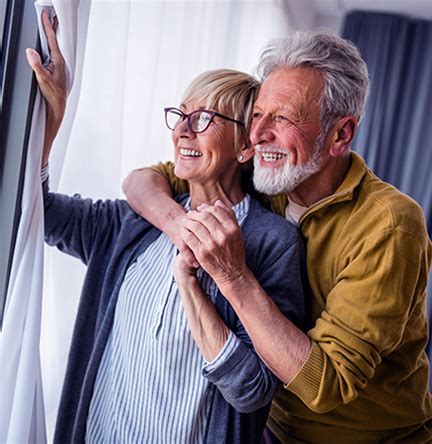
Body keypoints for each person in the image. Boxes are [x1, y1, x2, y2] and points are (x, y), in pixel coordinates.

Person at [124, 30, 432, 443]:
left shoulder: (390, 225)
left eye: (284, 118)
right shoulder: (266, 178)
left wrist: (233, 277)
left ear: (340, 135)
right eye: (257, 115)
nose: (256, 136)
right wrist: (180, 227)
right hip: (272, 431)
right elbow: (143, 181)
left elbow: (324, 384)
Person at [26, 12, 306, 443]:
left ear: (246, 146)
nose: (181, 130)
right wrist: (53, 116)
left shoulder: (273, 243)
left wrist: (194, 286)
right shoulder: (135, 221)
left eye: (204, 118)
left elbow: (252, 392)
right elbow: (36, 210)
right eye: (180, 115)